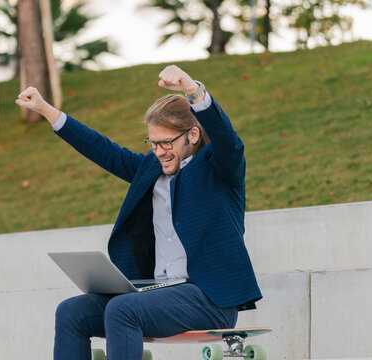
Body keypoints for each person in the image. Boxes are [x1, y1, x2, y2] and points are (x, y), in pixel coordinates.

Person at [15, 65, 262, 360]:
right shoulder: (150, 170)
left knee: (123, 309)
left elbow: (227, 139)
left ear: (193, 135)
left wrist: (193, 90)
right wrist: (46, 110)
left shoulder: (221, 169)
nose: (159, 151)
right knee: (71, 312)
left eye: (166, 142)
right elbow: (102, 149)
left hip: (208, 299)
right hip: (156, 293)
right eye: (153, 143)